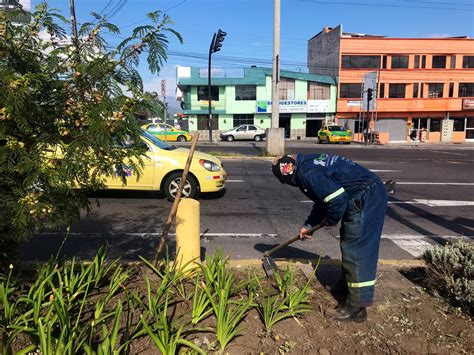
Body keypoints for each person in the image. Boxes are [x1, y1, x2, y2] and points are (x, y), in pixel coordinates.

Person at [271, 154, 388, 322]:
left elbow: (336, 200)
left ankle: (357, 307)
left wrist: (330, 220)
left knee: (357, 250)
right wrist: (309, 225)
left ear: (288, 178)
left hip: (367, 196)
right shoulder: (304, 162)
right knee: (349, 242)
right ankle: (346, 285)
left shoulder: (306, 174)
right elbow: (323, 198)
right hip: (359, 194)